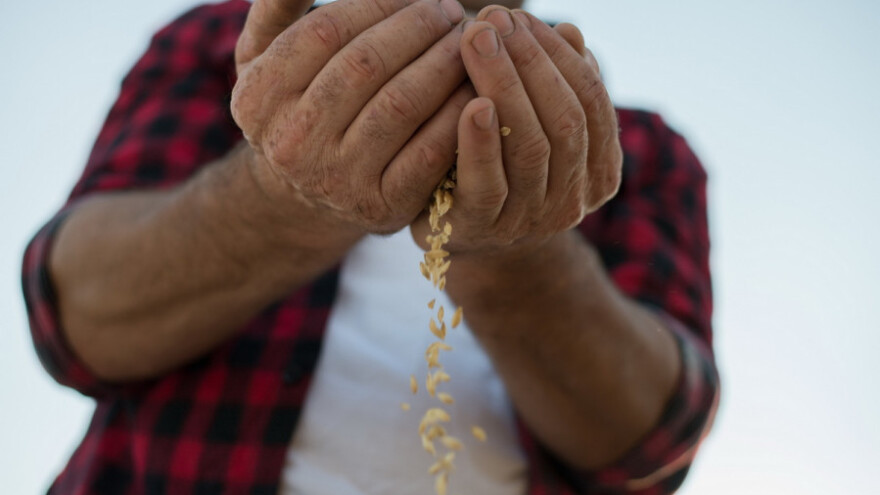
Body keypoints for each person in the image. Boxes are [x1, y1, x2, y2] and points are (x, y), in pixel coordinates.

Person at [22, 0, 719, 493]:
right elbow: (73, 316)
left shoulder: (635, 148)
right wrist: (282, 196)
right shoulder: (226, 45)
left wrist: (514, 255)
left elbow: (652, 442)